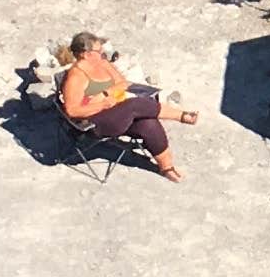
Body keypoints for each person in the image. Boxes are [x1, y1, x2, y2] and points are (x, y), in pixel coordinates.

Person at [57, 30, 200, 180]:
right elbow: (72, 110)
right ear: (85, 54)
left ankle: (167, 167)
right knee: (134, 105)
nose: (103, 52)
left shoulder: (103, 63)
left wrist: (105, 94)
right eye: (99, 51)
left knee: (148, 124)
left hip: (119, 112)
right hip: (95, 123)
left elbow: (123, 83)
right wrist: (103, 104)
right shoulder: (77, 76)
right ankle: (181, 116)